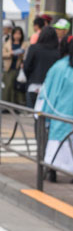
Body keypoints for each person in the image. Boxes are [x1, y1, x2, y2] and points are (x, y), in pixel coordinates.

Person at [37, 48, 73, 179]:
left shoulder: (59, 67)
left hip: (60, 113)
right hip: (65, 113)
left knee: (57, 144)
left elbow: (49, 92)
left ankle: (52, 171)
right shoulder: (61, 67)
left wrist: (45, 112)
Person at [22, 24, 61, 109]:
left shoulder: (33, 48)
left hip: (34, 85)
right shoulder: (58, 52)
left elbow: (26, 66)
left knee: (36, 114)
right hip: (51, 87)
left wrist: (30, 78)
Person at [2, 25, 24, 103]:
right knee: (7, 87)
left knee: (17, 88)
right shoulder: (7, 44)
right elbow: (2, 54)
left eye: (19, 34)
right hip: (9, 68)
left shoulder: (24, 44)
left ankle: (17, 104)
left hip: (19, 69)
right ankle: (6, 105)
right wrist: (10, 54)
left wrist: (22, 55)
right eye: (16, 34)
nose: (17, 36)